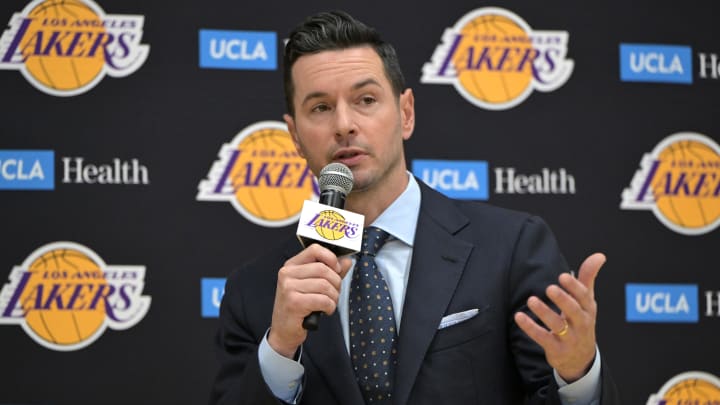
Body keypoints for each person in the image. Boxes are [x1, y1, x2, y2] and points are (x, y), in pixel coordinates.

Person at [209, 10, 619, 405]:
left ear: (405, 113)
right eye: (320, 108)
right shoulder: (255, 292)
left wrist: (577, 374)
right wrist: (280, 349)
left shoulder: (510, 248)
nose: (344, 124)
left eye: (366, 99)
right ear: (295, 136)